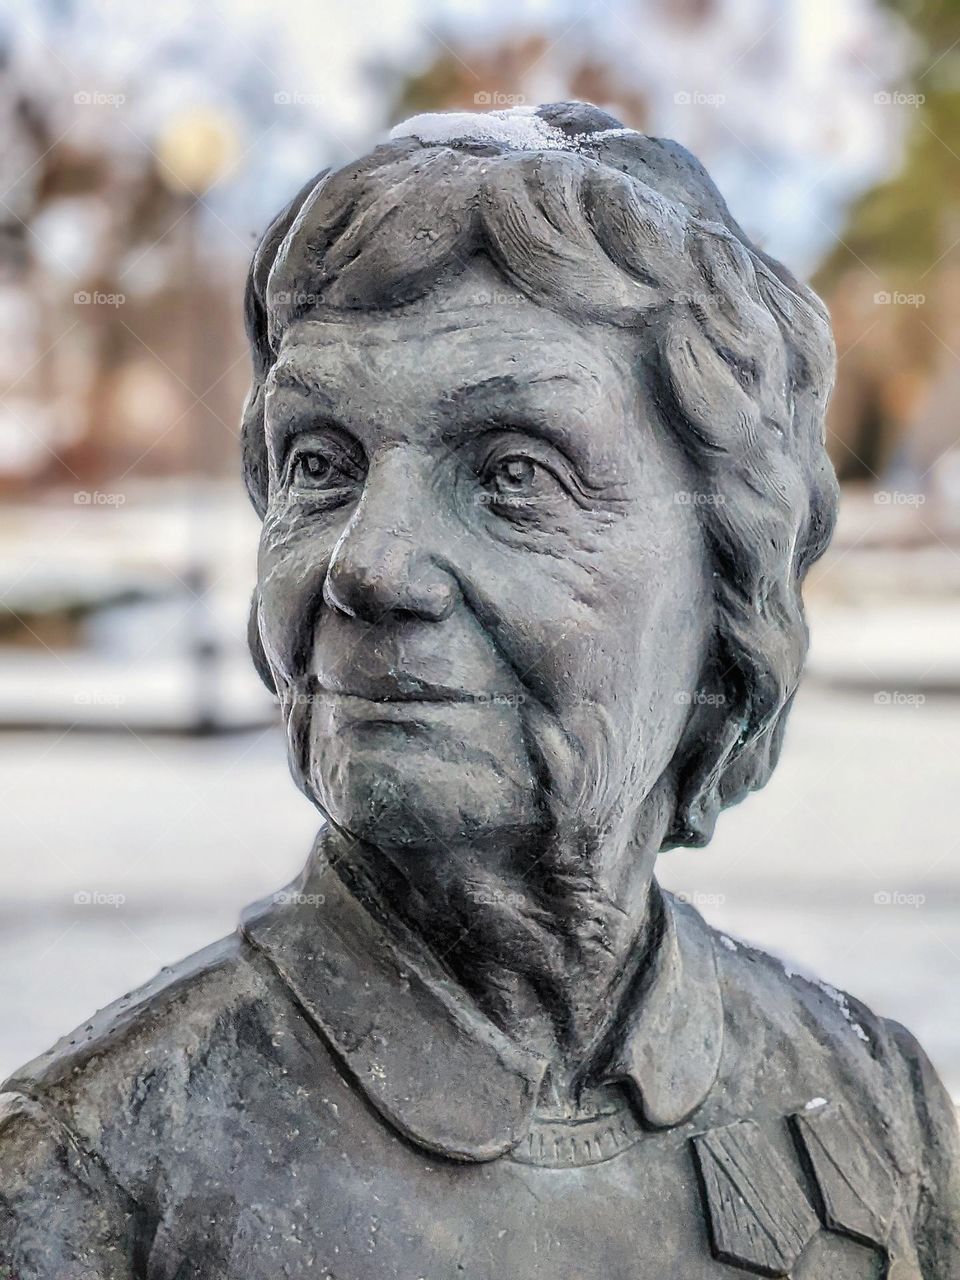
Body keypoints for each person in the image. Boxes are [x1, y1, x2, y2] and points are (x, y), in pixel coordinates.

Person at [2, 101, 956, 1280]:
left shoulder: (875, 1102)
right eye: (321, 463)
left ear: (730, 579)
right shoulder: (91, 1182)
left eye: (515, 472)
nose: (368, 563)